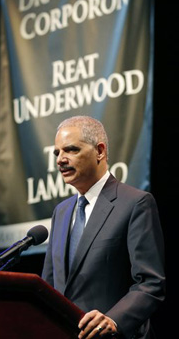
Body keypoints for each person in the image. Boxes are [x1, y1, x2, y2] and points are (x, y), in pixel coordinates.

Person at [41, 115, 165, 339]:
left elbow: (150, 283)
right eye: (57, 153)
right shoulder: (61, 212)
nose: (60, 159)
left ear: (99, 151)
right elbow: (49, 287)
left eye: (70, 150)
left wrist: (114, 319)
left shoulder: (135, 203)